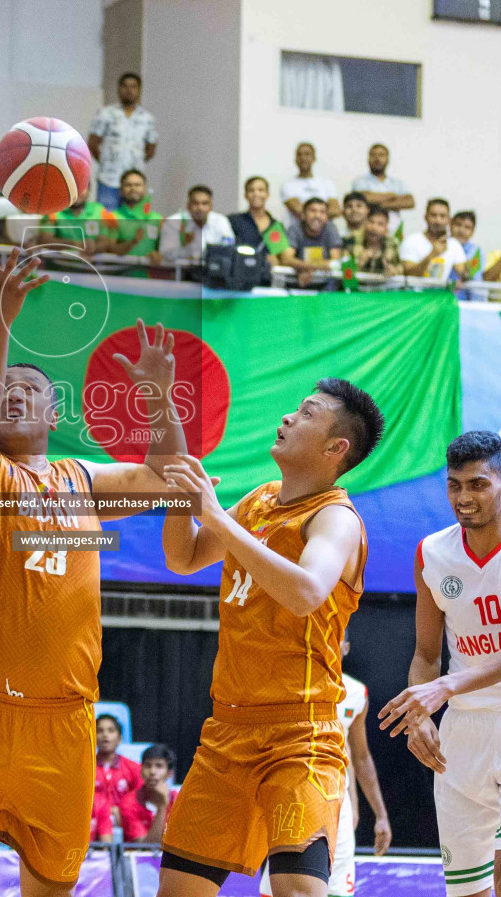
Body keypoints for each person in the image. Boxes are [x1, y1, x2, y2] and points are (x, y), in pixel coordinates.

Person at [0, 258, 174, 897]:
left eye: (30, 387)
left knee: (50, 888)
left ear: (55, 414)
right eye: (4, 387)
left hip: (63, 722)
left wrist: (157, 393)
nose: (13, 391)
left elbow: (162, 477)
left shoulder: (82, 481)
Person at [153, 376, 383, 897]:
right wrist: (182, 499)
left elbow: (305, 592)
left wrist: (215, 515)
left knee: (298, 891)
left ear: (335, 448)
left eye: (305, 413)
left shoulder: (336, 519)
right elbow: (183, 556)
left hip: (299, 734)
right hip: (228, 730)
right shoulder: (259, 502)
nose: (287, 417)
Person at [379, 431, 501, 897]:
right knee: (466, 891)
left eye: (477, 485)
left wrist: (442, 690)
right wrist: (420, 715)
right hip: (464, 734)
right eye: (454, 485)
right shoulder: (432, 553)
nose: (464, 498)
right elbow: (427, 655)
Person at [260, 633, 393, 897]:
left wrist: (379, 814)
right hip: (294, 793)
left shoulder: (356, 693)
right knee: (281, 883)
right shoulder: (291, 684)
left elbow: (359, 756)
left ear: (345, 648)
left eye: (336, 641)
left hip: (337, 800)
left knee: (338, 885)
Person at [89, 72, 158, 210]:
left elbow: (150, 148)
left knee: (134, 223)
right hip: (108, 179)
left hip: (134, 181)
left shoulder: (147, 118)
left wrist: (136, 160)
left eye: (133, 87)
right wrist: (106, 160)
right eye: (125, 86)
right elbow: (93, 143)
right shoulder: (106, 114)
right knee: (107, 223)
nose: (129, 90)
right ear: (119, 89)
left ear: (139, 90)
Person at [231, 176, 317, 284]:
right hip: (240, 281)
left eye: (261, 190)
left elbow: (285, 258)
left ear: (267, 195)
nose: (256, 194)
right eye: (251, 190)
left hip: (267, 282)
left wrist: (303, 268)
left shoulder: (275, 226)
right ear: (245, 195)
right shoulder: (234, 221)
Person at [93, 713, 151, 841]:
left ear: (119, 738)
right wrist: (106, 811)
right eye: (99, 731)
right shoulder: (85, 768)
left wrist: (122, 809)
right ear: (93, 737)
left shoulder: (134, 768)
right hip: (93, 827)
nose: (105, 735)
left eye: (111, 730)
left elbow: (141, 797)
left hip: (126, 823)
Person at [154, 185, 234, 265]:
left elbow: (229, 250)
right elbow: (165, 254)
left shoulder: (221, 221)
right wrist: (184, 246)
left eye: (205, 203)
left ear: (211, 206)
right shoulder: (173, 222)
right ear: (188, 205)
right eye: (195, 203)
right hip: (182, 272)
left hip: (213, 270)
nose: (200, 208)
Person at [95, 169, 161, 258]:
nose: (133, 189)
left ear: (145, 189)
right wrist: (132, 242)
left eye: (137, 185)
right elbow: (111, 250)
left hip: (148, 272)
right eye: (128, 185)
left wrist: (159, 255)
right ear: (121, 190)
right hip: (120, 271)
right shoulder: (112, 217)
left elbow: (165, 251)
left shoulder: (157, 219)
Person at [350, 142, 414, 231]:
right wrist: (392, 196)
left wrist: (375, 204)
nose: (377, 158)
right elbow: (363, 199)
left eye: (381, 155)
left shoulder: (397, 183)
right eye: (373, 155)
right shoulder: (359, 182)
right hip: (366, 231)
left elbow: (409, 202)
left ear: (388, 159)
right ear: (368, 159)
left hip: (394, 230)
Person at [399, 197, 468, 280]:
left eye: (442, 216)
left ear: (449, 220)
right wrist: (432, 255)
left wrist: (467, 271)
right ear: (425, 217)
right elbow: (408, 275)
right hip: (414, 292)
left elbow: (464, 275)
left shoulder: (454, 244)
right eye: (433, 215)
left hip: (440, 292)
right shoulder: (411, 241)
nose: (438, 220)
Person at [279, 142, 339, 228]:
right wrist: (322, 213)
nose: (303, 158)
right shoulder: (287, 185)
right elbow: (297, 210)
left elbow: (335, 210)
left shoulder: (327, 183)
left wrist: (313, 218)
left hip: (325, 234)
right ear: (295, 159)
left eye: (307, 154)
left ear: (314, 158)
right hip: (297, 234)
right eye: (299, 155)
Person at [343, 206, 404, 278]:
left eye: (380, 224)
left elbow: (402, 269)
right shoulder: (351, 240)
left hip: (385, 286)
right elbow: (344, 270)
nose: (374, 228)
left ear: (386, 228)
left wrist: (391, 270)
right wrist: (359, 262)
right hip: (357, 286)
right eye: (371, 222)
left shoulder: (392, 243)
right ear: (365, 223)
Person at [139, 745, 178, 845]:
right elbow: (145, 848)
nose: (152, 772)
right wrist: (162, 807)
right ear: (141, 770)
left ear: (170, 773)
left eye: (159, 766)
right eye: (147, 766)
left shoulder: (180, 801)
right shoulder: (129, 803)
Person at [289, 197, 347, 266]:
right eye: (313, 211)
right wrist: (305, 268)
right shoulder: (295, 229)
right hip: (300, 274)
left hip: (323, 275)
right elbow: (287, 259)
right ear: (304, 214)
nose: (317, 216)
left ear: (326, 217)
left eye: (322, 212)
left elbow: (335, 261)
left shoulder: (330, 228)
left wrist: (307, 268)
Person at [452, 210, 484, 282]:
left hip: (465, 292)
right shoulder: (441, 245)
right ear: (450, 226)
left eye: (467, 227)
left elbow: (476, 283)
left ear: (472, 232)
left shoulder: (476, 251)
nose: (461, 230)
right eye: (458, 225)